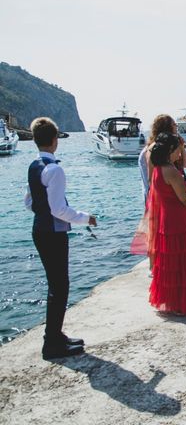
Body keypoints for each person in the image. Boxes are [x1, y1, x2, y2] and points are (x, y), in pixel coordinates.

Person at [24, 117, 97, 359]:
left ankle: (54, 336)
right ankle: (52, 344)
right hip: (54, 233)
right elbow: (58, 209)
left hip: (39, 230)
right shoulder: (55, 169)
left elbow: (29, 202)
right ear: (55, 140)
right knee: (60, 287)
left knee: (55, 286)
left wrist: (43, 213)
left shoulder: (35, 166)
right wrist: (86, 218)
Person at [147, 133, 186, 315]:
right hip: (176, 221)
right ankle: (179, 303)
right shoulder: (171, 171)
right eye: (179, 150)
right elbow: (184, 200)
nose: (180, 154)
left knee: (169, 263)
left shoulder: (157, 168)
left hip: (165, 219)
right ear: (171, 149)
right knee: (179, 263)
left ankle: (169, 300)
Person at [138, 114, 186, 204]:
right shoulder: (154, 148)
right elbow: (152, 179)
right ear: (166, 128)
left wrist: (181, 147)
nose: (177, 126)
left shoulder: (166, 147)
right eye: (174, 124)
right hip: (157, 199)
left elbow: (184, 164)